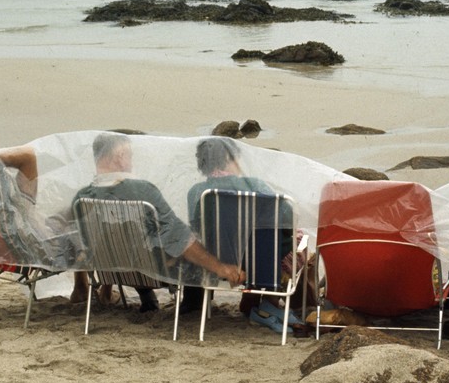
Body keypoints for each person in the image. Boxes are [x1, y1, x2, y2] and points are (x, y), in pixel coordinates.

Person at [71, 133, 245, 312]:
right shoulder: (142, 191)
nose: (131, 161)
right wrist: (220, 267)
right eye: (130, 155)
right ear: (120, 157)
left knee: (141, 241)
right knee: (194, 242)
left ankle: (146, 296)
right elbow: (181, 238)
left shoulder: (81, 198)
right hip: (151, 272)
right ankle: (193, 305)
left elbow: (82, 242)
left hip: (110, 271)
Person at [186, 137, 306, 332]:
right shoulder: (253, 186)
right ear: (227, 158)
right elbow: (286, 218)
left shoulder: (197, 192)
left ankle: (254, 302)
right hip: (259, 265)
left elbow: (197, 229)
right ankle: (272, 302)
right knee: (293, 241)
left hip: (217, 264)